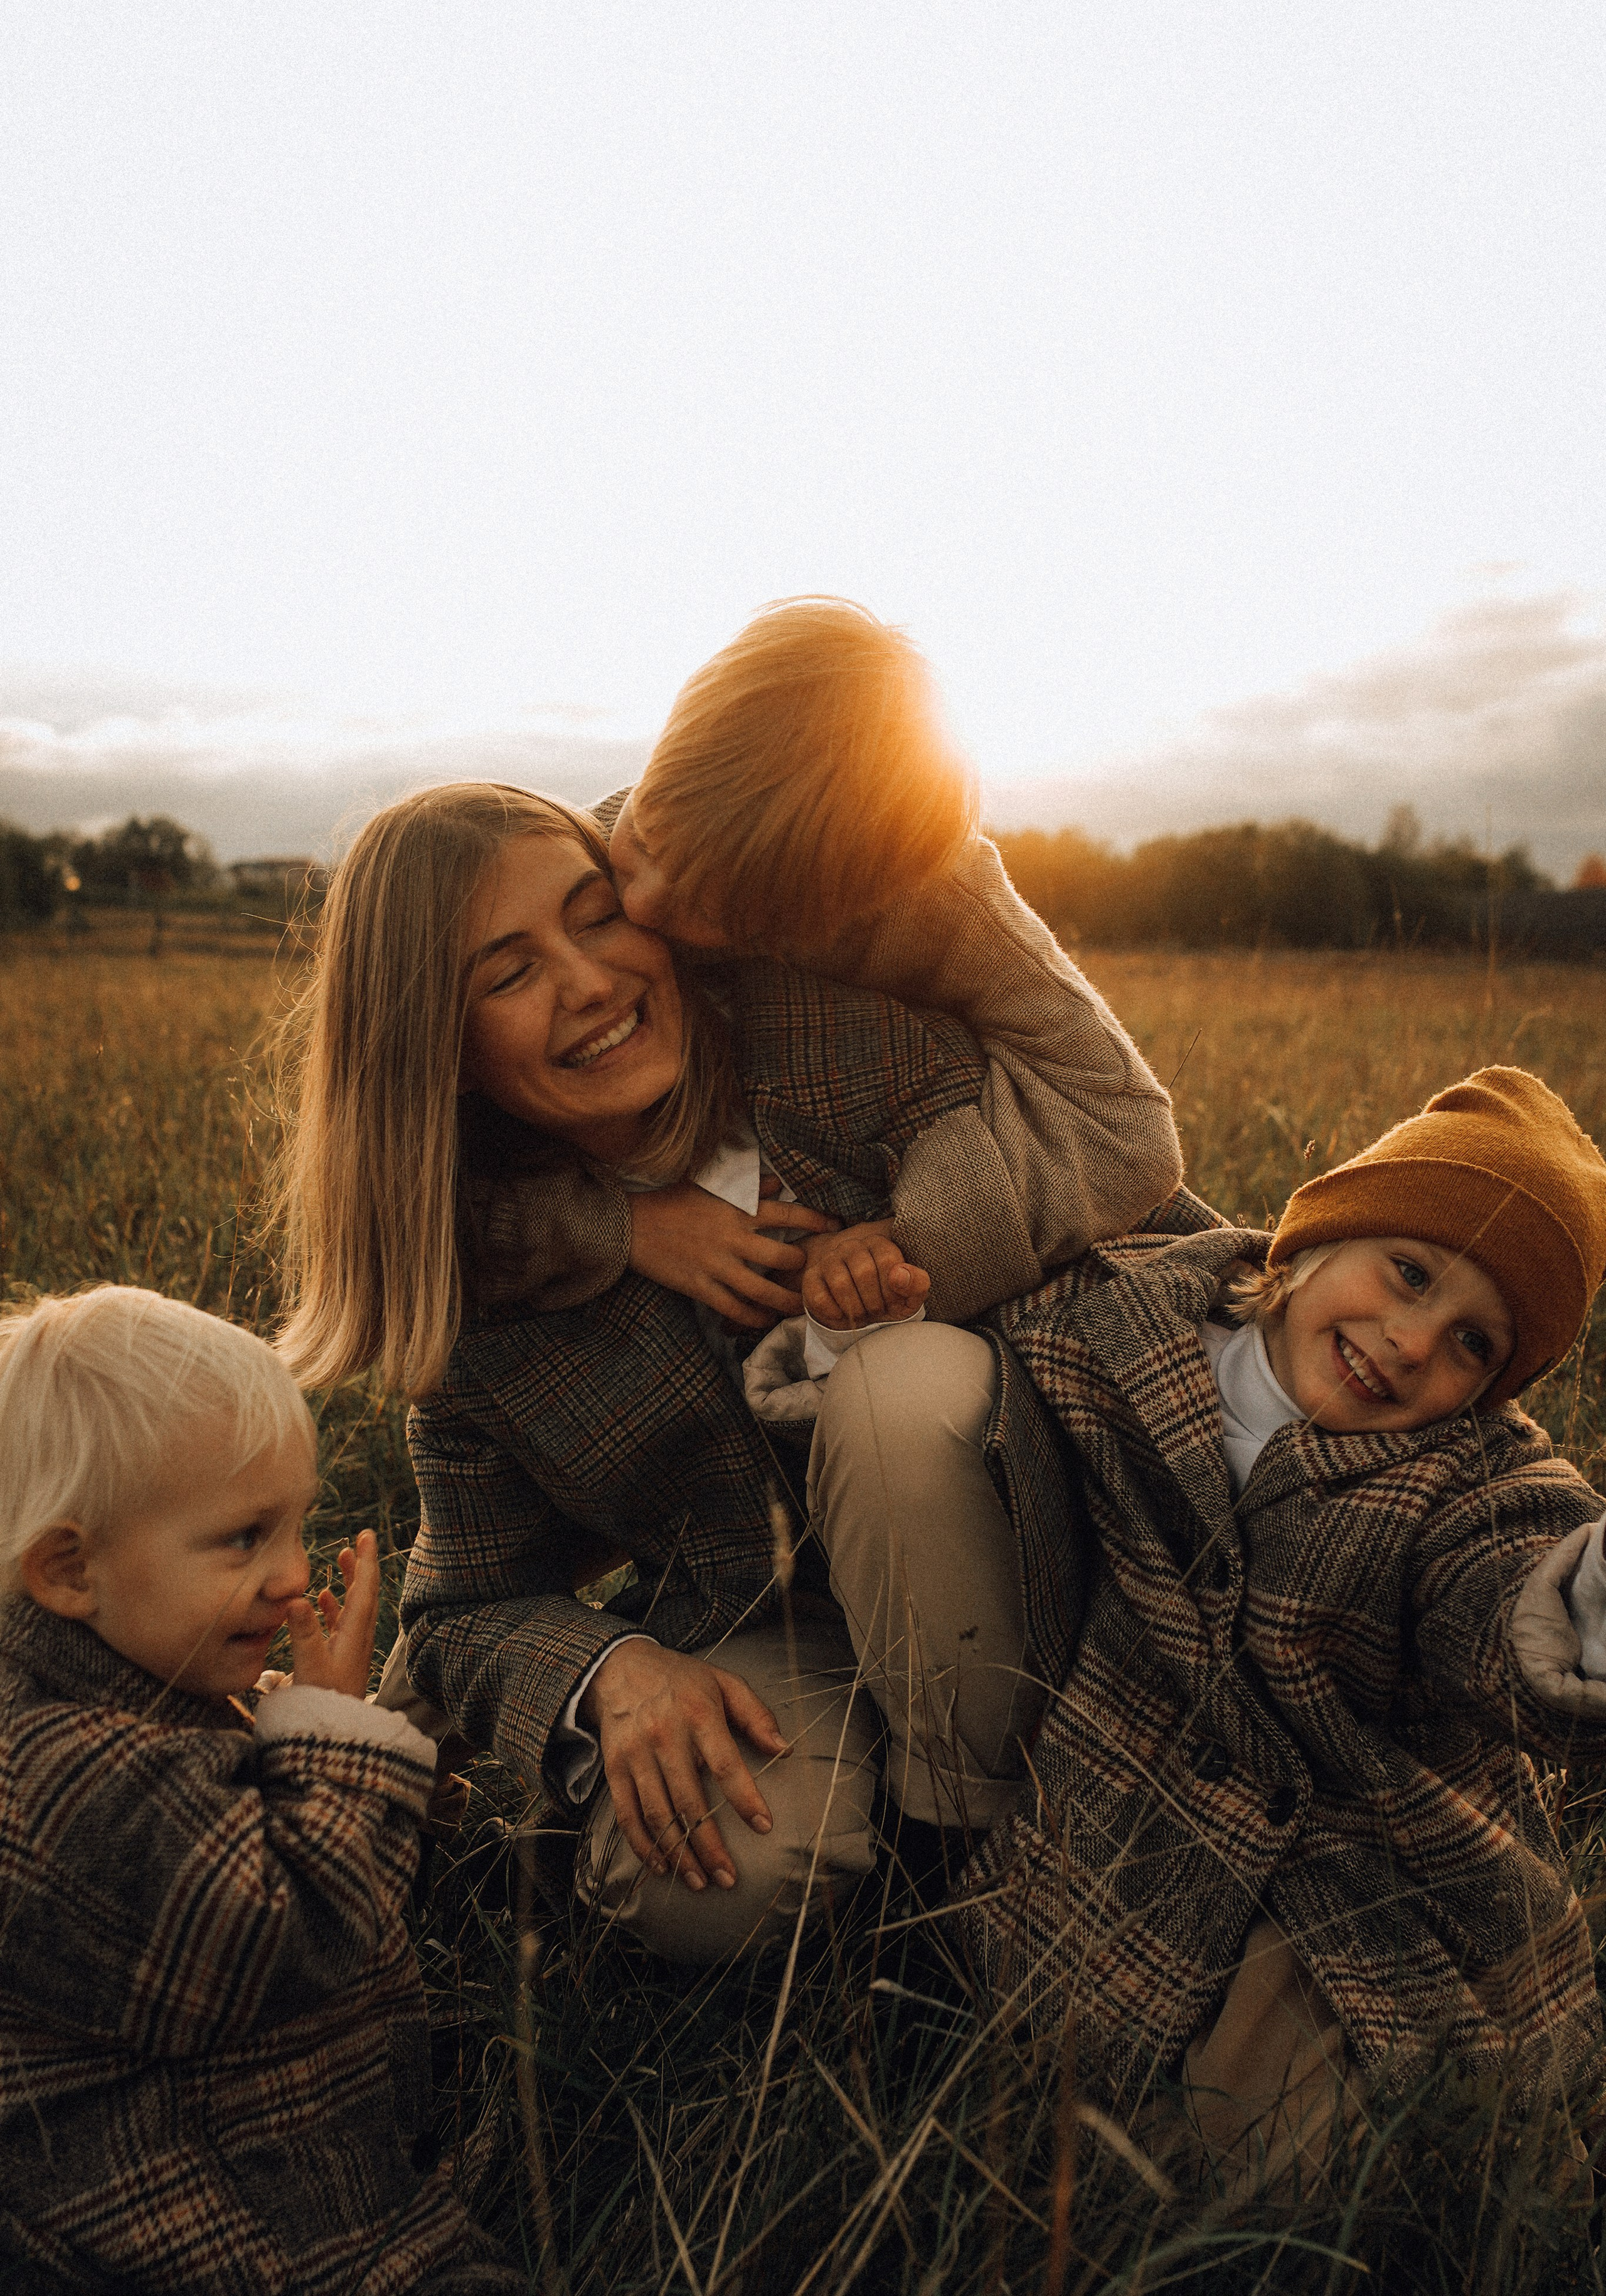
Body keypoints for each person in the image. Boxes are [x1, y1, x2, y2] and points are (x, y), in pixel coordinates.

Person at [272, 778, 1174, 1964]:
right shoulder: (489, 1305)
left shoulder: (834, 1039)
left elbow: (1107, 1151)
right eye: (508, 973)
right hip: (797, 1625)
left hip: (1056, 1551)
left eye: (598, 913)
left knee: (896, 1394)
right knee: (699, 1867)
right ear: (441, 1053)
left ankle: (990, 1868)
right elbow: (464, 1604)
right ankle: (903, 1882)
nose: (589, 981)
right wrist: (612, 1667)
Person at [960, 1067, 1606, 2196]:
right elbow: (975, 1371)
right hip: (1115, 1814)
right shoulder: (1119, 1320)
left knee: (1298, 2169)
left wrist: (1576, 1603)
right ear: (1316, 1236)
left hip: (1355, 1863)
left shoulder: (1464, 1481)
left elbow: (1515, 1579)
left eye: (1472, 1345)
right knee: (1062, 2115)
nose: (1410, 1343)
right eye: (1408, 1274)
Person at [461, 597, 1183, 1332]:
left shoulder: (939, 900)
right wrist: (626, 1226)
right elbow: (400, 1161)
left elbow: (1125, 1130)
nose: (639, 906)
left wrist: (913, 1237)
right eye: (646, 835)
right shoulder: (577, 871)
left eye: (715, 910)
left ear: (839, 910)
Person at [0, 1285, 520, 2294]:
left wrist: (302, 1727)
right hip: (198, 2204)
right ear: (70, 1570)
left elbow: (219, 1796)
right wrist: (332, 1742)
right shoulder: (61, 1784)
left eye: (298, 1526)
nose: (291, 1574)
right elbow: (300, 1933)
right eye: (244, 1538)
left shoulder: (129, 1688)